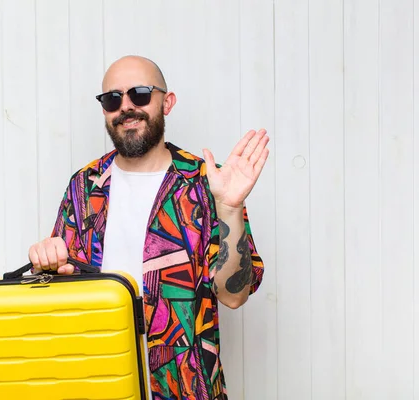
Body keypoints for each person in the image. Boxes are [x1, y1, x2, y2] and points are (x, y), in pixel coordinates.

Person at [28, 55, 269, 400]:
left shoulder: (206, 183)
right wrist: (47, 262)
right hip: (96, 382)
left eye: (139, 94)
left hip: (183, 388)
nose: (126, 107)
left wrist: (230, 209)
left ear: (166, 103)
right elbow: (62, 288)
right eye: (113, 99)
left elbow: (234, 295)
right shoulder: (84, 186)